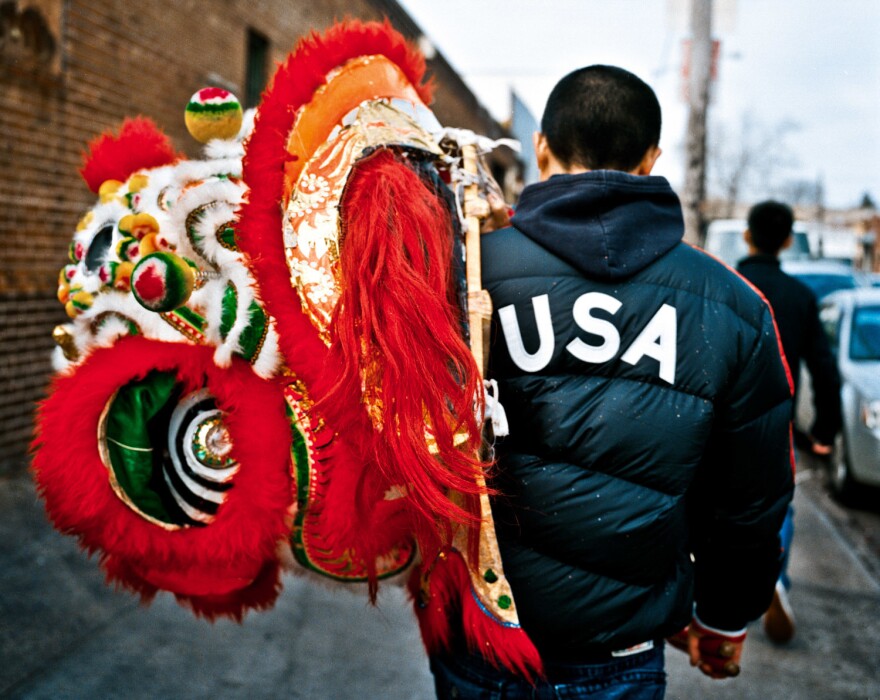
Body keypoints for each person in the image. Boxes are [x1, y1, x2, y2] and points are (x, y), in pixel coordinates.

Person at [428, 65, 794, 699]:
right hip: (619, 653)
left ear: (541, 148)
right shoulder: (734, 307)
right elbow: (751, 501)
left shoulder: (461, 273)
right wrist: (723, 617)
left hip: (481, 635)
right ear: (653, 159)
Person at [736, 200, 843, 644]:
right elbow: (823, 366)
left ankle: (711, 578)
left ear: (747, 236)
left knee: (717, 495)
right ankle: (774, 575)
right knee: (777, 500)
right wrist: (825, 429)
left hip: (721, 413)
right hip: (776, 419)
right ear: (785, 240)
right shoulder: (800, 297)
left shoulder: (728, 283)